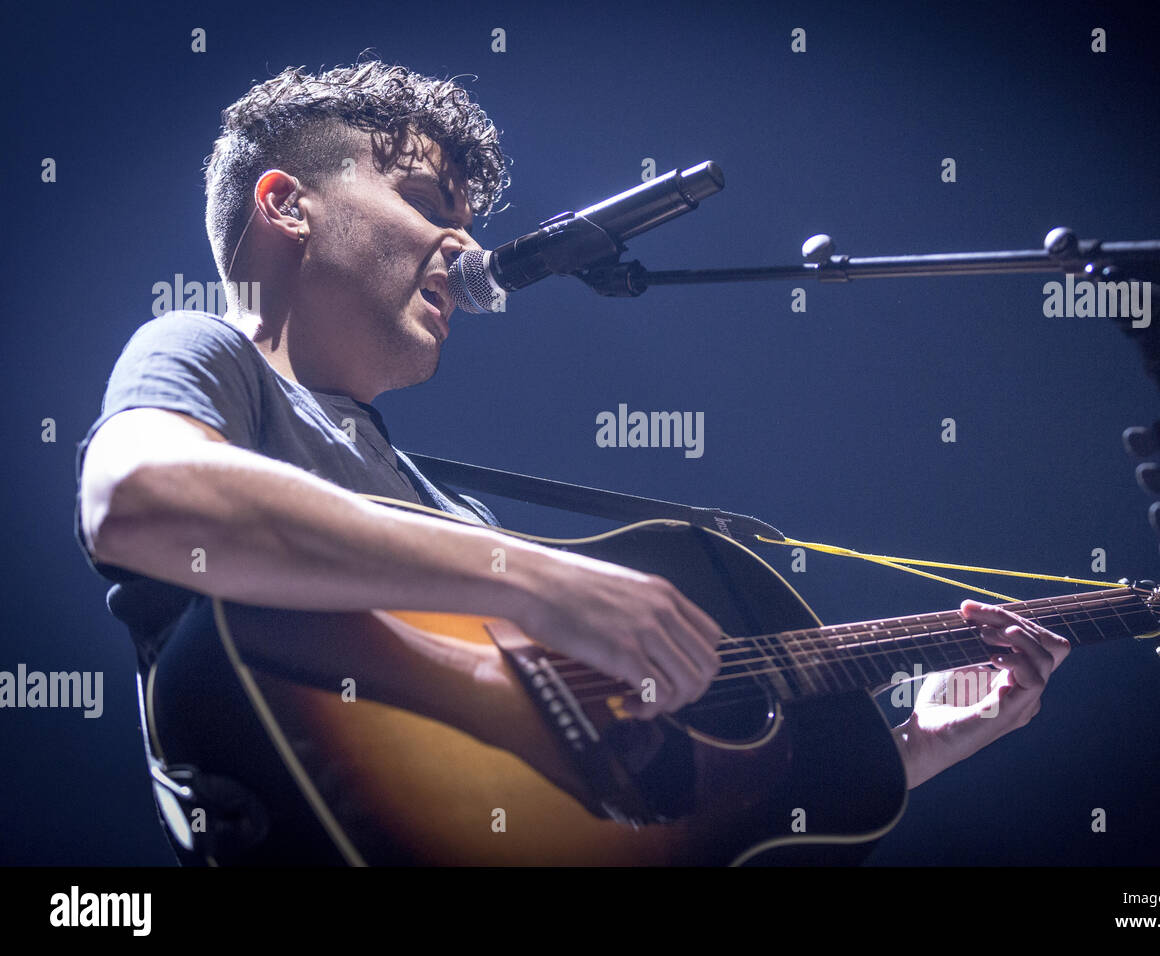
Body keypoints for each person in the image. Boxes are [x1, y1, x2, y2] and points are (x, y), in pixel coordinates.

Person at [75, 58, 1071, 864]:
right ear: (286, 205)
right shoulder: (208, 353)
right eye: (428, 201)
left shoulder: (442, 512)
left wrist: (921, 743)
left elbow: (634, 826)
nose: (462, 247)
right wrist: (542, 578)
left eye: (469, 221)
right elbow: (140, 494)